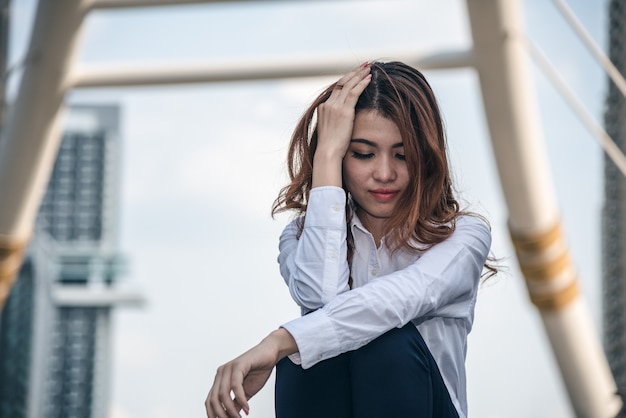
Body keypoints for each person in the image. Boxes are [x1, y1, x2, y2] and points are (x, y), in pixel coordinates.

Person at [205, 60, 494, 418]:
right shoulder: (299, 236)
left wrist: (279, 341)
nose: (385, 173)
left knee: (381, 338)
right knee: (307, 356)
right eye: (362, 154)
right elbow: (322, 303)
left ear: (426, 158)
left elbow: (395, 302)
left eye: (403, 155)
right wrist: (326, 155)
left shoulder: (462, 236)